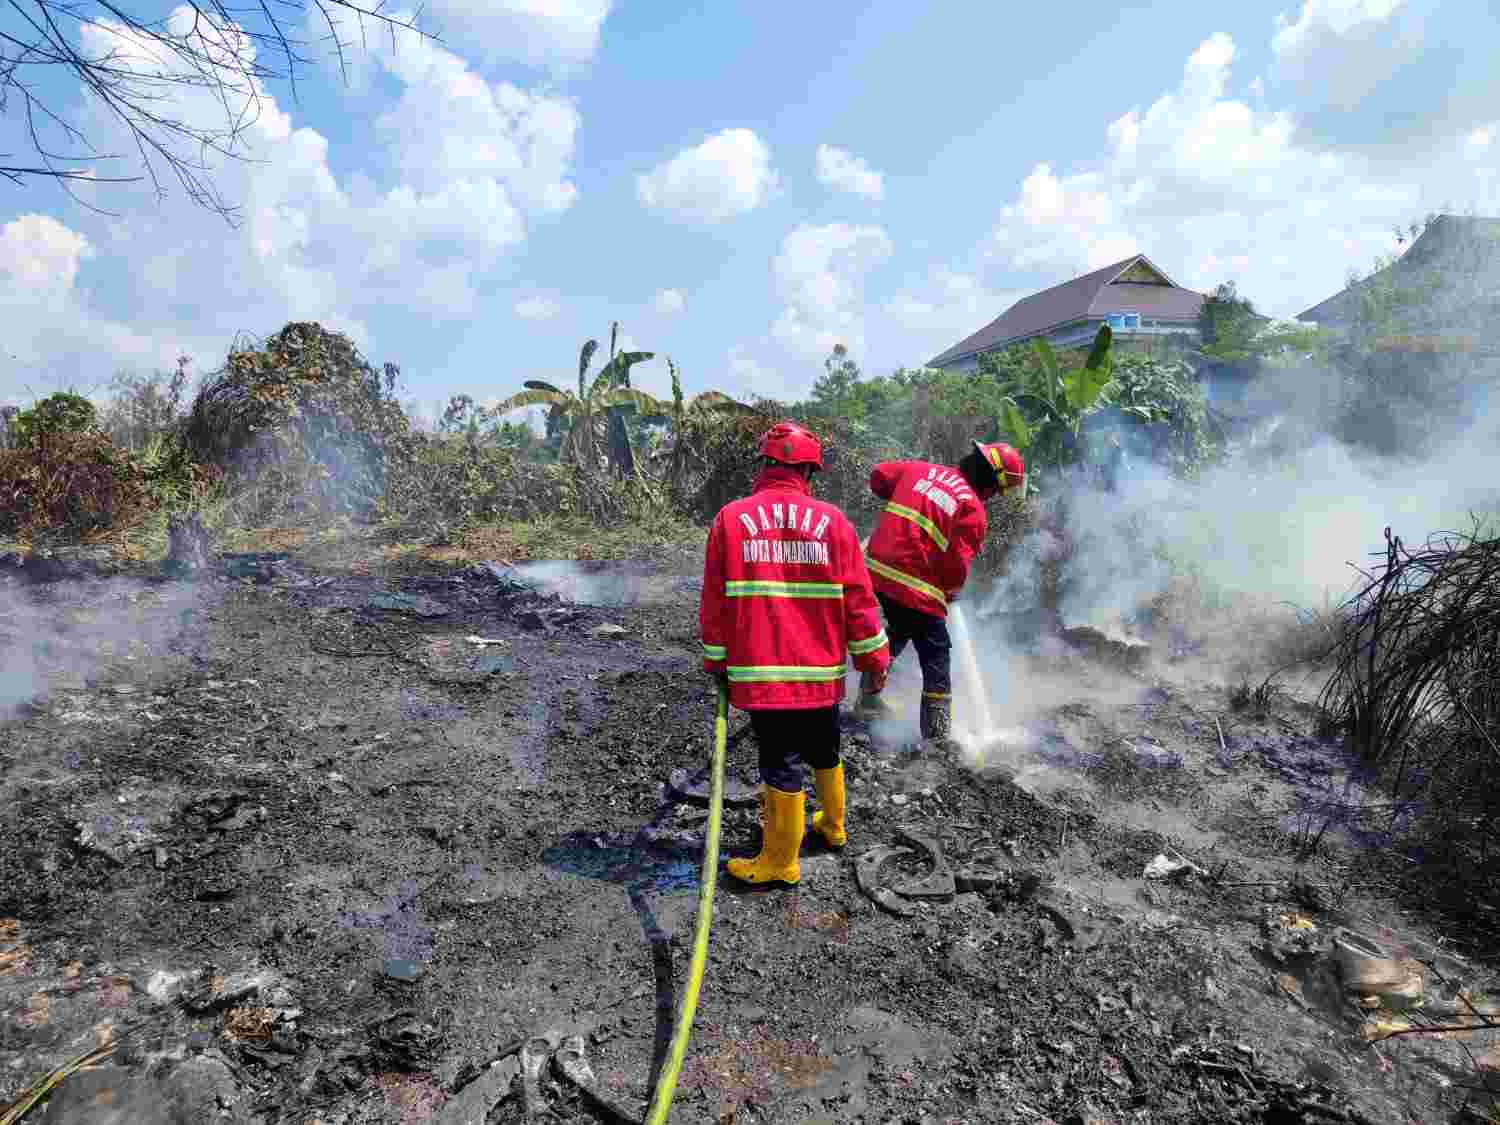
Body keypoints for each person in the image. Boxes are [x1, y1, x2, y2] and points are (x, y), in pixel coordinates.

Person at [699, 421, 892, 887]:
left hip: (766, 675)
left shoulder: (731, 518)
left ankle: (781, 861)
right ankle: (832, 826)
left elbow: (715, 603)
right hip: (821, 674)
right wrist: (874, 660)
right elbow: (859, 601)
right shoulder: (835, 522)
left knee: (781, 762)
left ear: (765, 464)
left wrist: (717, 661)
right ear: (810, 470)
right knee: (826, 749)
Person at [860, 440, 1025, 742]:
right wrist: (949, 592)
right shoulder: (972, 508)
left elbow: (880, 476)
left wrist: (902, 498)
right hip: (916, 584)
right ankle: (936, 738)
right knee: (935, 654)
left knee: (896, 632)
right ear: (991, 484)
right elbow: (957, 564)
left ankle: (868, 703)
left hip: (874, 569)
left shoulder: (921, 469)